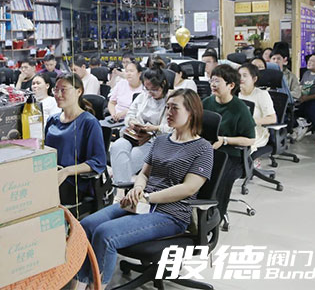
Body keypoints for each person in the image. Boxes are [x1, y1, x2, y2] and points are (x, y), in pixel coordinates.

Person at [75, 89, 213, 288]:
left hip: (171, 214)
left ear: (192, 112)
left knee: (105, 234)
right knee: (86, 225)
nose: (168, 112)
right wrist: (138, 188)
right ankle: (80, 283)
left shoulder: (203, 148)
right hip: (142, 204)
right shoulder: (161, 140)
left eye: (174, 108)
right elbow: (145, 174)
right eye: (167, 107)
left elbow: (188, 188)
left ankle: (96, 286)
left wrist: (148, 197)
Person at [203, 65, 255, 221]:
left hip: (233, 155)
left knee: (220, 175)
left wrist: (224, 140)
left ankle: (215, 217)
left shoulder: (239, 108)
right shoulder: (206, 103)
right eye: (212, 80)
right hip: (209, 150)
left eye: (217, 81)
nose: (213, 84)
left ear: (231, 85)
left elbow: (250, 139)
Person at [44, 73, 106, 206]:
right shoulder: (52, 120)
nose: (58, 95)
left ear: (79, 91)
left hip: (73, 182)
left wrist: (66, 171)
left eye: (63, 90)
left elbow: (98, 161)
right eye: (56, 90)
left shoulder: (89, 122)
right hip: (50, 175)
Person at [109, 68, 171, 184]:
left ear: (163, 84)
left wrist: (155, 128)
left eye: (154, 89)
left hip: (154, 140)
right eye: (147, 89)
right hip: (135, 135)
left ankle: (120, 188)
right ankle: (122, 186)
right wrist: (131, 122)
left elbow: (173, 127)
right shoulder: (143, 96)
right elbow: (130, 114)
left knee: (132, 158)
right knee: (117, 146)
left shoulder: (171, 100)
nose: (150, 93)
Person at [238, 64, 277, 166]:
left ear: (254, 79)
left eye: (245, 75)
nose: (241, 78)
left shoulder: (261, 94)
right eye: (239, 75)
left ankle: (246, 166)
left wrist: (251, 121)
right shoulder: (235, 94)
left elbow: (272, 118)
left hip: (256, 132)